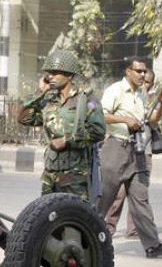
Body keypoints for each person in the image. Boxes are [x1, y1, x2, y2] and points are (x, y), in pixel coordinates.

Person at [98, 58, 162, 258]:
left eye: (144, 72)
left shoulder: (141, 93)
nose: (143, 75)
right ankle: (85, 238)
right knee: (105, 198)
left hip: (138, 151)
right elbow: (101, 114)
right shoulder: (115, 90)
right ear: (128, 71)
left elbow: (151, 121)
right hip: (117, 147)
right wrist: (124, 119)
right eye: (139, 71)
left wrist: (161, 105)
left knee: (141, 198)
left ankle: (152, 245)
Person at [18, 49, 105, 201]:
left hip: (74, 174)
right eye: (49, 72)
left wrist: (66, 140)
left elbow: (98, 131)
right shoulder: (49, 99)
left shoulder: (86, 99)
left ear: (69, 75)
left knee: (74, 217)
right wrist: (40, 91)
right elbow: (24, 118)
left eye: (55, 72)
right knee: (47, 217)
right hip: (50, 173)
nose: (50, 76)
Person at [105, 71, 162, 237]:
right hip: (122, 148)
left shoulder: (145, 99)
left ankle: (137, 231)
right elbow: (106, 115)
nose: (143, 83)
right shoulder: (123, 93)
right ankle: (107, 227)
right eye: (142, 79)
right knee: (116, 194)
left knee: (139, 196)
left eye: (147, 82)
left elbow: (153, 119)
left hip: (143, 153)